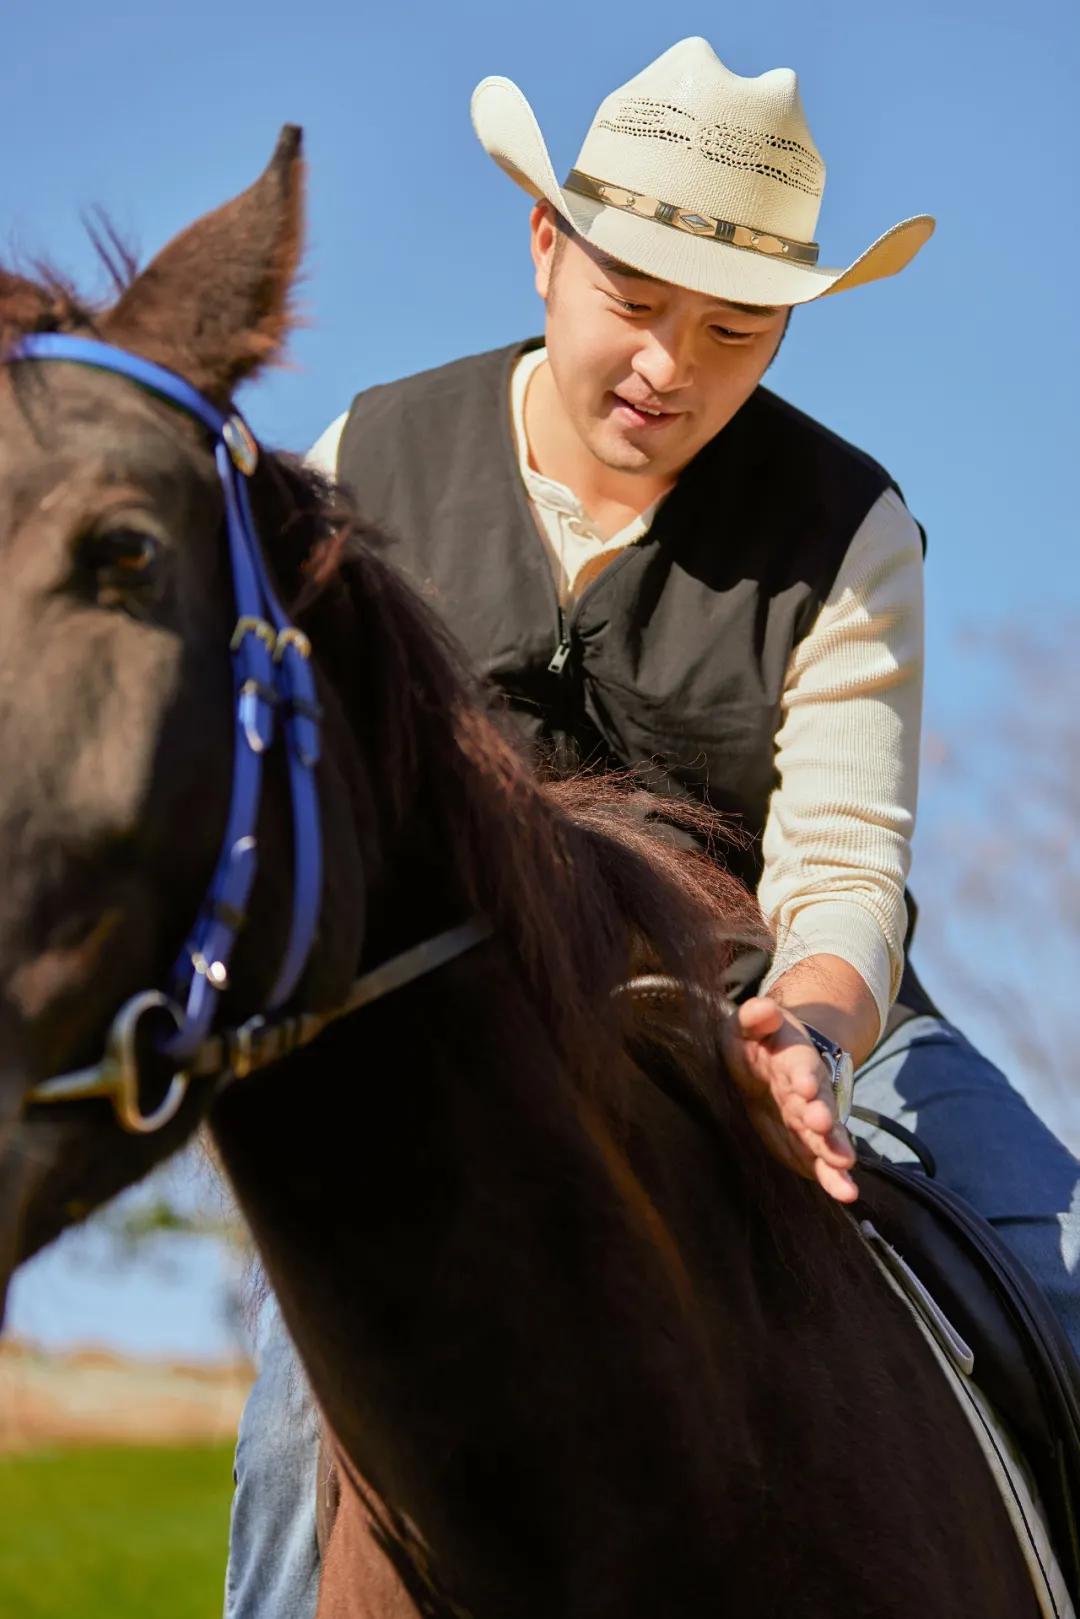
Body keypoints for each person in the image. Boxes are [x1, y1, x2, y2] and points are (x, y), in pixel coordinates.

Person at [224, 38, 1080, 1617]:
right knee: (300, 1430)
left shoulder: (853, 529)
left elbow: (841, 871)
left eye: (735, 330)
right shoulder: (365, 464)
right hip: (441, 1042)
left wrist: (809, 1042)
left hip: (788, 1013)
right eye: (634, 300)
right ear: (547, 246)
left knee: (1063, 1278)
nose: (669, 366)